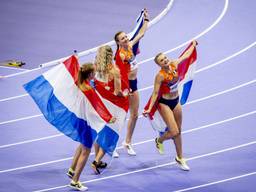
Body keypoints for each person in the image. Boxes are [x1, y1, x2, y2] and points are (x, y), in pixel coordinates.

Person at [143, 40, 198, 171]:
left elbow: (185, 56)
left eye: (165, 58)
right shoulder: (160, 76)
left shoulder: (174, 64)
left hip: (176, 101)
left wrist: (193, 45)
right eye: (162, 60)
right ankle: (159, 140)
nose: (165, 60)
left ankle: (180, 158)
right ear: (159, 65)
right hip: (164, 103)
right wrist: (149, 108)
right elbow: (155, 93)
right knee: (173, 131)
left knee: (179, 131)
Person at [67, 63, 116, 191]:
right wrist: (108, 118)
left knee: (82, 145)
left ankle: (72, 169)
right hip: (84, 122)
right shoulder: (88, 89)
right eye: (94, 73)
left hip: (77, 119)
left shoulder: (79, 83)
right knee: (86, 151)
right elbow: (97, 106)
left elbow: (75, 70)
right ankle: (75, 181)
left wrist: (75, 61)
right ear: (90, 75)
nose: (96, 74)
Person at [113, 8, 149, 156]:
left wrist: (146, 20)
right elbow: (118, 74)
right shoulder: (119, 55)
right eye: (122, 39)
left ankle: (127, 142)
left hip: (134, 85)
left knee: (134, 115)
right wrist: (122, 90)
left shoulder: (130, 46)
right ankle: (111, 144)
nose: (126, 39)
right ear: (118, 42)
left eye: (126, 37)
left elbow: (141, 33)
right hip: (124, 87)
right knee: (119, 116)